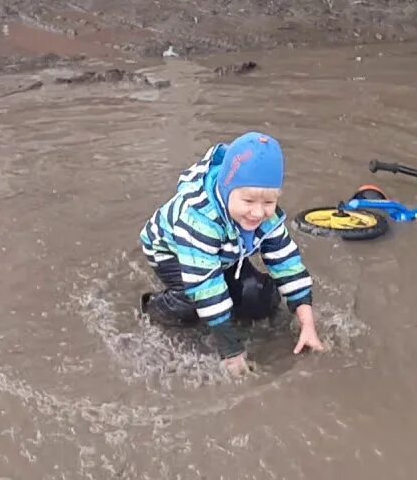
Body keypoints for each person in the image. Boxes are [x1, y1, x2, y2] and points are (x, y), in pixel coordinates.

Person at [139, 131, 325, 376]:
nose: (258, 213)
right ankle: (154, 307)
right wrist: (231, 350)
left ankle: (229, 306)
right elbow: (205, 288)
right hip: (170, 251)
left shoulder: (262, 216)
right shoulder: (199, 220)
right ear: (227, 189)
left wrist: (307, 324)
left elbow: (287, 263)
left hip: (226, 249)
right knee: (193, 303)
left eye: (268, 203)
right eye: (248, 201)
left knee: (258, 297)